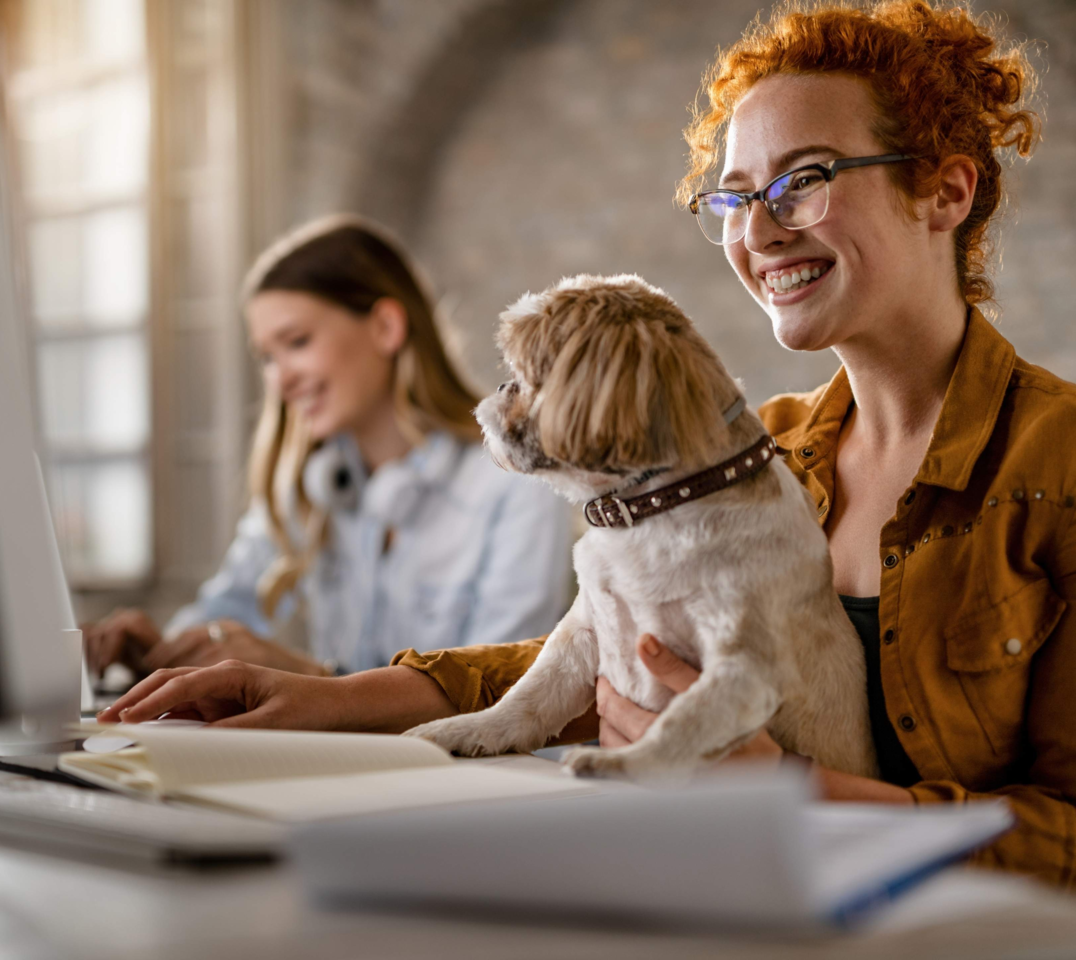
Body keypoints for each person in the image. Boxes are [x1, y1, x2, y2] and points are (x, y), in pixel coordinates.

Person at [100, 2, 1076, 887]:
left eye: (805, 179)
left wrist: (795, 788)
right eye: (733, 198)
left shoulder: (1056, 463)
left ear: (945, 192)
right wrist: (329, 700)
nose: (759, 230)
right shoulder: (766, 449)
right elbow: (596, 643)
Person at [84, 216, 573, 678]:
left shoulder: (518, 487)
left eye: (296, 341)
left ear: (385, 327)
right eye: (267, 358)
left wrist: (310, 682)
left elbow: (498, 695)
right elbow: (222, 616)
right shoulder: (312, 483)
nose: (281, 379)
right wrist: (158, 651)